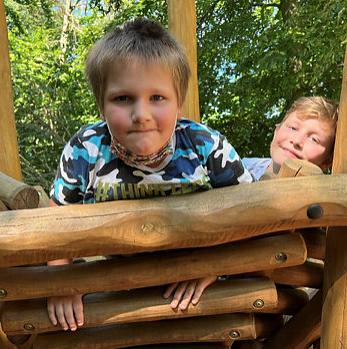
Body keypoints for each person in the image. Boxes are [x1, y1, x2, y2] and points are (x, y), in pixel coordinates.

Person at [47, 17, 252, 331]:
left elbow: (250, 214)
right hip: (114, 287)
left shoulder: (206, 147)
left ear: (179, 104)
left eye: (157, 98)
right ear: (101, 107)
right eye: (122, 98)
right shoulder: (85, 149)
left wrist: (211, 267)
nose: (141, 115)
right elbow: (58, 216)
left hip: (195, 287)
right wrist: (64, 281)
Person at [242, 96, 338, 180]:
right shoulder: (241, 168)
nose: (297, 141)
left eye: (314, 139)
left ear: (326, 161)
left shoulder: (319, 200)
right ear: (276, 131)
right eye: (293, 128)